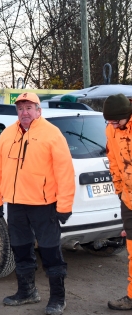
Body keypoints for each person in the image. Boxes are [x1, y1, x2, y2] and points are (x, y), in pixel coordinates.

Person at [0, 92, 75, 315]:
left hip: (44, 205)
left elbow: (65, 173)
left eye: (29, 108)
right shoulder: (7, 134)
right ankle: (27, 292)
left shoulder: (52, 134)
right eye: (20, 108)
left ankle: (58, 298)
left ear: (38, 110)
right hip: (16, 205)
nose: (24, 112)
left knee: (50, 252)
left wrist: (64, 206)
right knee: (21, 249)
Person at [102, 94, 132, 310]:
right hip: (129, 200)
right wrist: (120, 191)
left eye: (116, 121)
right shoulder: (111, 129)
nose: (112, 125)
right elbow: (113, 161)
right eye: (109, 122)